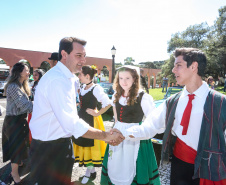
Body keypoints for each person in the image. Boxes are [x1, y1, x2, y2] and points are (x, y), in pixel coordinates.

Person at [119, 48, 226, 185]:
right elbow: (150, 126)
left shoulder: (221, 102)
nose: (173, 70)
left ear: (193, 66)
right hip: (179, 168)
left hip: (210, 171)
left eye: (178, 65)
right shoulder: (172, 102)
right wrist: (121, 133)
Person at [29, 37, 124, 185]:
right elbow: (71, 123)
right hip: (49, 149)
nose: (83, 60)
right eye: (79, 55)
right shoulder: (57, 80)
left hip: (61, 144)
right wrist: (106, 135)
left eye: (84, 56)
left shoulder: (70, 78)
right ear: (64, 54)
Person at [101, 65, 160, 185]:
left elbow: (153, 120)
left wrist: (141, 130)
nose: (124, 81)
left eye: (127, 78)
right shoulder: (116, 96)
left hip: (136, 136)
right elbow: (117, 120)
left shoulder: (143, 97)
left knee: (133, 165)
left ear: (135, 79)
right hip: (118, 133)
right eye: (121, 78)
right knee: (115, 165)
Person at [73, 65, 111, 184]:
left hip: (91, 120)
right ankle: (91, 171)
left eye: (80, 74)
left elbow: (108, 103)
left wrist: (97, 113)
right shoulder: (84, 86)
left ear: (87, 76)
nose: (79, 76)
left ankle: (89, 173)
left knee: (89, 145)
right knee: (83, 144)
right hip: (82, 118)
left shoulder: (96, 88)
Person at [2, 62, 33, 184]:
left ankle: (16, 167)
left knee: (20, 148)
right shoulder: (13, 87)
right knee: (16, 149)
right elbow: (24, 105)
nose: (28, 72)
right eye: (26, 70)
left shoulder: (20, 85)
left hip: (19, 121)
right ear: (19, 72)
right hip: (14, 122)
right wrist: (36, 104)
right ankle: (14, 175)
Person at [27, 69, 45, 143]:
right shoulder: (35, 83)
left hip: (39, 108)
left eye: (36, 75)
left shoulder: (42, 84)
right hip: (33, 107)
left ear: (40, 75)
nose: (34, 76)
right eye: (33, 75)